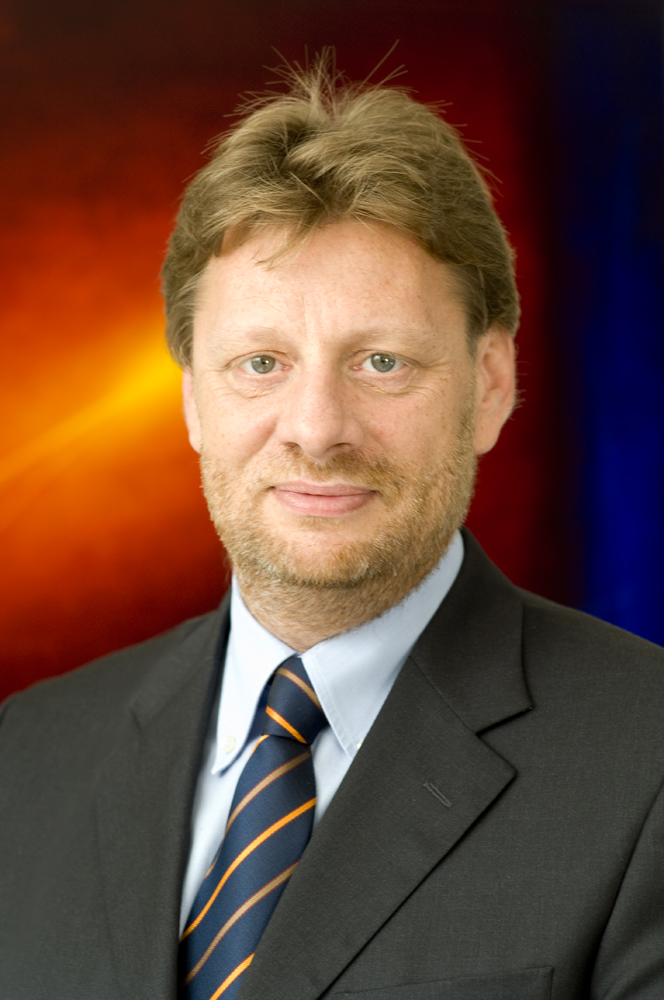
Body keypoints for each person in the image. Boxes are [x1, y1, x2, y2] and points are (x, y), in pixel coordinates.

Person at [2, 57, 664, 1000]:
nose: (317, 430)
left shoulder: (646, 759)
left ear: (490, 386)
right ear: (191, 400)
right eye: (261, 363)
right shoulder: (25, 758)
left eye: (382, 361)